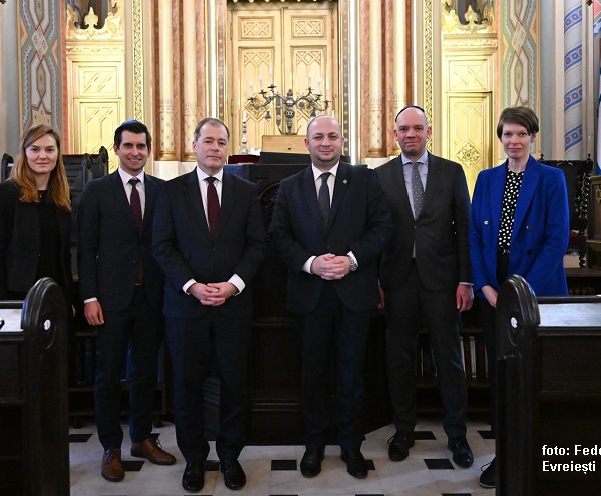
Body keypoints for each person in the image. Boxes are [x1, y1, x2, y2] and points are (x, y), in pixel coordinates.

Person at [268, 115, 391, 480]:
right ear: (306, 143)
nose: (325, 142)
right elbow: (278, 236)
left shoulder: (366, 180)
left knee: (351, 374)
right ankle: (314, 445)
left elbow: (382, 227)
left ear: (342, 141)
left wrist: (350, 260)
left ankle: (351, 445)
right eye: (318, 137)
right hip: (310, 295)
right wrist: (311, 263)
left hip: (354, 294)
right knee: (313, 374)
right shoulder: (289, 187)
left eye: (332, 136)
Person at [152, 117, 267, 493]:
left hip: (233, 308)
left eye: (221, 142)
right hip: (186, 309)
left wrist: (233, 285)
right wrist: (192, 286)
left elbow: (256, 246)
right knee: (188, 387)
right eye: (208, 141)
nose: (215, 147)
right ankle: (195, 460)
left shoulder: (246, 192)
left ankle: (231, 457)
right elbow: (163, 247)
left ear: (227, 147)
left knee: (235, 386)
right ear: (195, 145)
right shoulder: (171, 192)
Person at [469, 106, 570, 488]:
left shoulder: (551, 178)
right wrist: (487, 287)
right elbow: (476, 238)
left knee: (533, 377)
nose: (513, 141)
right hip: (494, 296)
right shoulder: (486, 179)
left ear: (532, 137)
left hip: (536, 295)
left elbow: (555, 241)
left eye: (521, 134)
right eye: (507, 135)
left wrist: (518, 294)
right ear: (500, 139)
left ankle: (539, 455)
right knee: (502, 380)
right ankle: (504, 455)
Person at [77, 120, 176, 482]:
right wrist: (89, 297)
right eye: (129, 146)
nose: (136, 152)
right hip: (110, 299)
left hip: (151, 297)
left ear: (149, 151)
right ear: (117, 148)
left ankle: (142, 438)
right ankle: (111, 447)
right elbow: (86, 250)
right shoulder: (97, 190)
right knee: (108, 374)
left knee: (146, 372)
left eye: (141, 146)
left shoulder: (163, 190)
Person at [376, 105, 475, 467]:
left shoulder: (451, 172)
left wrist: (466, 279)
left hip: (443, 280)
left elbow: (464, 229)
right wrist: (375, 279)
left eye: (418, 128)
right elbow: (374, 232)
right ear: (395, 134)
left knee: (449, 358)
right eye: (404, 129)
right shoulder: (380, 175)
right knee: (399, 358)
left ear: (428, 132)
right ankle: (403, 430)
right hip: (397, 280)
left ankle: (457, 435)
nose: (411, 134)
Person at [0, 124, 73, 300]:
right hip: (16, 297)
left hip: (56, 295)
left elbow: (64, 255)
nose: (43, 156)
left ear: (57, 154)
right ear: (24, 154)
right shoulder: (4, 194)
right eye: (35, 149)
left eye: (49, 150)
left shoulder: (62, 198)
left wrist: (69, 299)